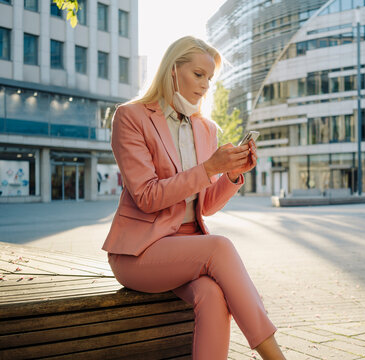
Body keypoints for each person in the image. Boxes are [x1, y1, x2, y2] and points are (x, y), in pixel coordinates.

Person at [102, 36, 286, 360]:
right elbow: (146, 196)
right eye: (198, 75)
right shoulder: (131, 117)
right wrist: (208, 167)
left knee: (213, 294)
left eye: (210, 79)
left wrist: (230, 174)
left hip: (189, 249)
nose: (205, 86)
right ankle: (275, 356)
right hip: (139, 252)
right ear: (173, 70)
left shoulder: (207, 129)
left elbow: (206, 205)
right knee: (220, 246)